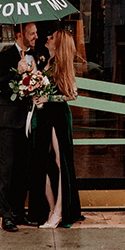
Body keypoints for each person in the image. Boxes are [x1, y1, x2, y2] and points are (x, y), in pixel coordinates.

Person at [28, 25, 83, 229]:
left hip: (58, 117)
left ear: (58, 45)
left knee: (61, 163)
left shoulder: (62, 64)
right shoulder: (47, 62)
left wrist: (48, 97)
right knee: (42, 162)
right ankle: (51, 208)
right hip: (44, 116)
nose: (47, 38)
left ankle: (59, 211)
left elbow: (72, 94)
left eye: (51, 38)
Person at [0, 21, 38, 232]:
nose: (36, 36)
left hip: (27, 120)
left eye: (36, 33)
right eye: (32, 33)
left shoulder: (35, 57)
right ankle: (6, 215)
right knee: (7, 169)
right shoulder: (5, 56)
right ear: (20, 35)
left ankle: (19, 212)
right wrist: (15, 72)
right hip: (8, 121)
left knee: (23, 169)